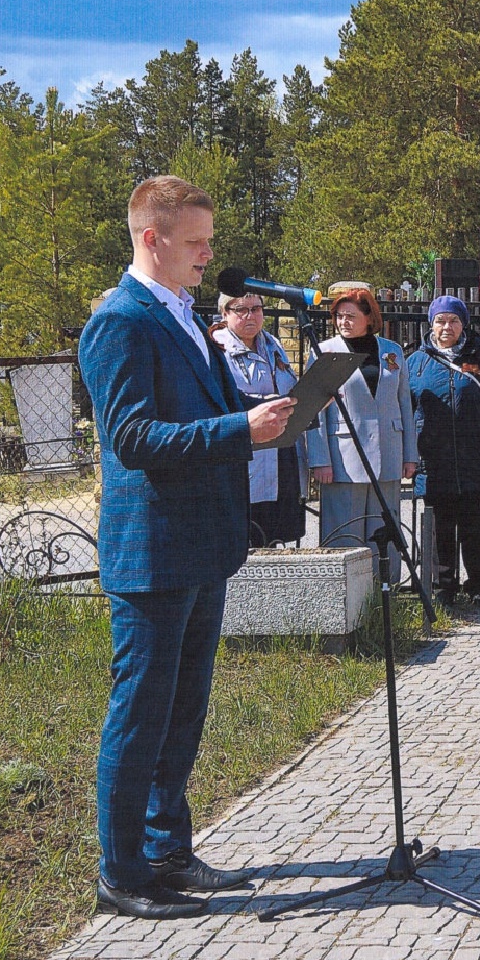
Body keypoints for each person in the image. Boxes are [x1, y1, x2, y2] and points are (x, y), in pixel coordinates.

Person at [78, 175, 295, 919]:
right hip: (152, 552)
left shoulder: (183, 315)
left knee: (183, 712)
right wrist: (240, 430)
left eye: (208, 240)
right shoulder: (120, 321)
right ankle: (120, 873)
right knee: (141, 713)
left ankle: (167, 849)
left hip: (200, 546)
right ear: (153, 238)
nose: (208, 255)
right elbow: (133, 438)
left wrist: (272, 410)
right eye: (196, 242)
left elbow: (204, 408)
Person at [405, 295, 480, 608]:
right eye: (440, 320)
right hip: (434, 460)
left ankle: (478, 587)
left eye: (453, 320)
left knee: (475, 527)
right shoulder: (416, 363)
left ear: (463, 324)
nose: (446, 327)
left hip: (476, 457)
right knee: (440, 529)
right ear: (431, 324)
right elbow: (404, 411)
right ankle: (444, 589)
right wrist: (408, 455)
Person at [305, 283, 418, 583]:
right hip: (343, 459)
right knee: (345, 535)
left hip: (388, 454)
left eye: (350, 316)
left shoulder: (392, 352)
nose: (343, 321)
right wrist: (319, 459)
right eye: (339, 316)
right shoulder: (324, 351)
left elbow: (404, 404)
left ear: (369, 317)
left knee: (384, 530)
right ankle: (343, 597)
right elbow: (313, 411)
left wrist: (410, 454)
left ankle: (386, 593)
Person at [211, 291, 307, 548]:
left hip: (281, 450)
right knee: (246, 538)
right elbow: (223, 398)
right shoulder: (216, 349)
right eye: (241, 309)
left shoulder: (272, 344)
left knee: (275, 535)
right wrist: (270, 402)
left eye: (256, 309)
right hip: (245, 452)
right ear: (225, 313)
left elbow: (287, 385)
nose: (250, 316)